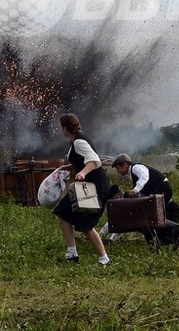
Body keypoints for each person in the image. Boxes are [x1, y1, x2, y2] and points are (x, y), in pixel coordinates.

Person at [52, 113, 111, 265]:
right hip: (85, 187)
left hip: (95, 187)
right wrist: (69, 166)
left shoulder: (79, 142)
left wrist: (82, 173)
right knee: (62, 213)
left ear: (65, 128)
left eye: (61, 127)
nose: (61, 130)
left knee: (86, 226)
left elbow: (94, 161)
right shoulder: (74, 142)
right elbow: (82, 160)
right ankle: (72, 254)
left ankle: (104, 259)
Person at [108, 153, 179, 246]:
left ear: (124, 164)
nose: (118, 171)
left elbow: (144, 176)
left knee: (156, 216)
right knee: (155, 216)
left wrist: (136, 189)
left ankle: (175, 231)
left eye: (118, 168)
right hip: (158, 192)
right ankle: (166, 239)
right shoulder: (133, 175)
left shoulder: (136, 168)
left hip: (163, 190)